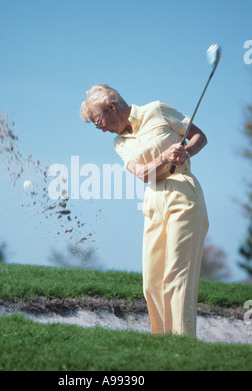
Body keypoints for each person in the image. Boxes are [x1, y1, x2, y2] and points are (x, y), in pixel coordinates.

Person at [80, 84, 209, 336]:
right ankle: (161, 344)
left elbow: (199, 136)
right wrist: (164, 157)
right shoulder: (119, 143)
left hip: (183, 192)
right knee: (151, 282)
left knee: (177, 275)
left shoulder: (157, 110)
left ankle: (182, 343)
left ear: (111, 108)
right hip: (153, 200)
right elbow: (142, 174)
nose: (101, 129)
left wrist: (186, 152)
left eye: (99, 122)